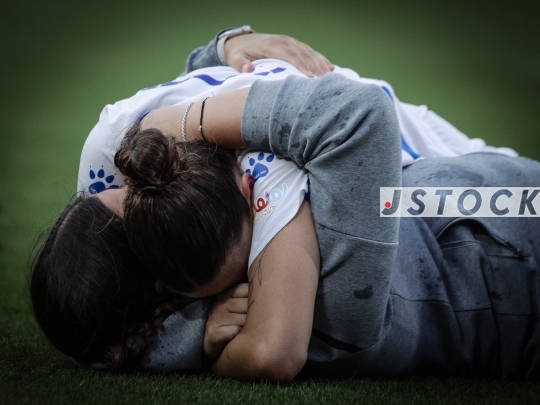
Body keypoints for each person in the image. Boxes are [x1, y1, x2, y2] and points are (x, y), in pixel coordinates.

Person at [114, 73, 540, 381]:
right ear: (246, 189)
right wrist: (181, 123)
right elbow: (358, 112)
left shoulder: (189, 265)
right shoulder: (335, 301)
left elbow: (218, 75)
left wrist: (227, 46)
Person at [29, 28, 334, 371]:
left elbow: (273, 354)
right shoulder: (233, 185)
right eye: (132, 209)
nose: (136, 182)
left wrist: (227, 44)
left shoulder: (112, 148)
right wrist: (199, 329)